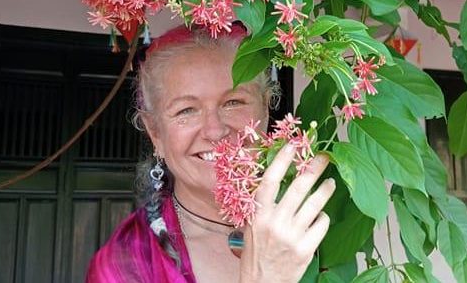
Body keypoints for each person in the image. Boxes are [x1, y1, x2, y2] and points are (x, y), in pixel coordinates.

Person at [86, 23, 336, 283]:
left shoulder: (314, 221)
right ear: (155, 133)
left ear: (265, 112)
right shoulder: (123, 266)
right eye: (186, 110)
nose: (215, 131)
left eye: (234, 102)